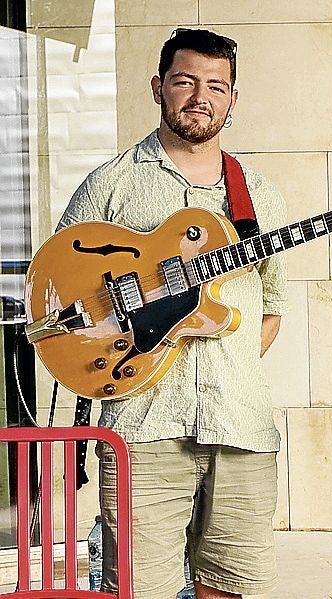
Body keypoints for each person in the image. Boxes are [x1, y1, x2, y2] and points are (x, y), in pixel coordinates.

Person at [58, 28, 288, 599]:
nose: (200, 96)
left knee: (234, 589)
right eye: (185, 81)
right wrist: (142, 352)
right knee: (138, 589)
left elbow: (272, 308)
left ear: (233, 99)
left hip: (241, 429)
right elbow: (61, 287)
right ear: (158, 87)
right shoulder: (110, 184)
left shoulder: (256, 194)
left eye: (217, 85)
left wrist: (208, 347)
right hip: (142, 429)